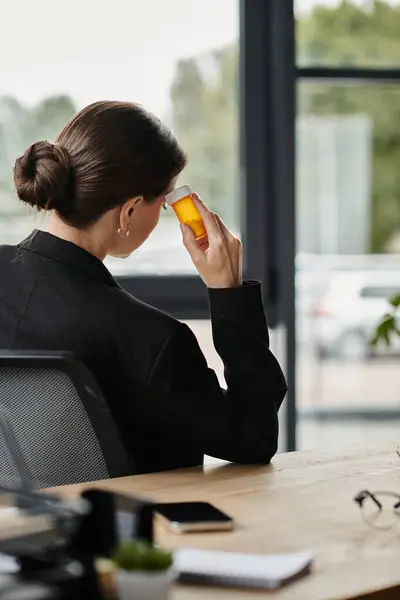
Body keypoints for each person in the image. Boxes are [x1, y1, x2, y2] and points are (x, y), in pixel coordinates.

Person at [0, 101, 287, 475]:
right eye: (164, 203)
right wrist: (229, 293)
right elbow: (254, 437)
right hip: (125, 532)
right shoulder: (152, 341)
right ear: (129, 210)